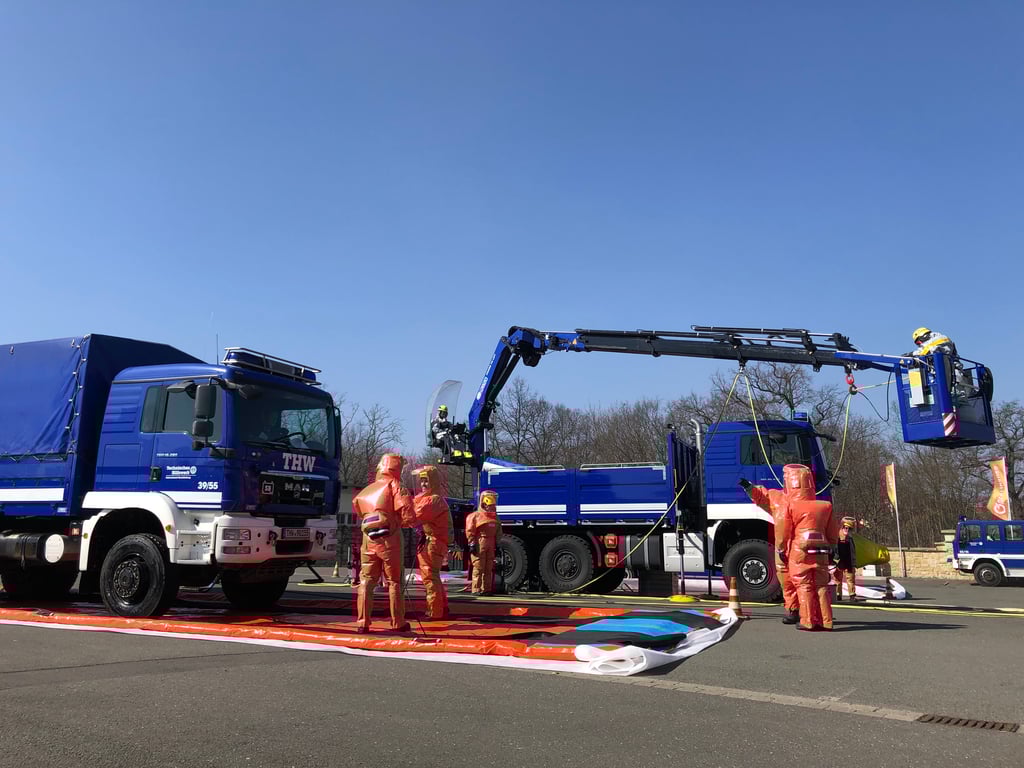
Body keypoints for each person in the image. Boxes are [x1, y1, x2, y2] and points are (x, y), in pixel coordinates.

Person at [352, 453, 413, 633]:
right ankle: (398, 622)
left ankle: (362, 623)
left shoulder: (367, 490)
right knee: (394, 582)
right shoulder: (395, 486)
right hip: (390, 540)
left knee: (367, 580)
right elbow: (409, 516)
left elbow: (358, 508)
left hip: (368, 539)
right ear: (397, 469)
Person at [738, 478, 799, 624]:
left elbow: (763, 498)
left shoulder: (781, 500)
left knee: (795, 582)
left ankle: (801, 612)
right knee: (795, 582)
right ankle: (802, 612)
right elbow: (763, 497)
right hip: (793, 548)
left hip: (791, 548)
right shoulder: (814, 504)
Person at [412, 465, 453, 619]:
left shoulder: (432, 500)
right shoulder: (433, 499)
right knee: (433, 576)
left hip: (432, 543)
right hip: (433, 541)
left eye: (426, 481)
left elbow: (414, 517)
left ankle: (434, 612)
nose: (423, 484)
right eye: (422, 481)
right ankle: (442, 608)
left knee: (429, 577)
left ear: (433, 482)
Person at [465, 489, 502, 595]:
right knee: (478, 567)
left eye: (494, 505)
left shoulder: (495, 518)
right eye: (491, 505)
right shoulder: (475, 516)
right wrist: (471, 543)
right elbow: (470, 530)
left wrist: (498, 544)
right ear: (485, 504)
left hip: (490, 542)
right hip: (480, 542)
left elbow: (499, 532)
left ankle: (486, 589)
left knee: (489, 568)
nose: (493, 507)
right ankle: (476, 589)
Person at [833, 516, 858, 602]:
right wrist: (835, 561)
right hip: (839, 561)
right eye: (845, 527)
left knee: (850, 579)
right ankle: (837, 595)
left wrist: (854, 562)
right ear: (842, 527)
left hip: (848, 562)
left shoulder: (851, 539)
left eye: (849, 528)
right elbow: (834, 549)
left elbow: (853, 552)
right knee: (837, 580)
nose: (847, 529)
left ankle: (852, 595)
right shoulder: (837, 537)